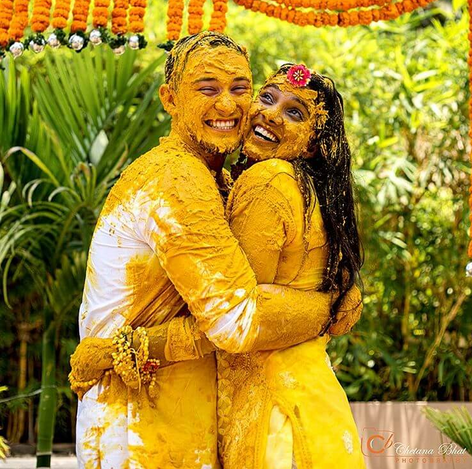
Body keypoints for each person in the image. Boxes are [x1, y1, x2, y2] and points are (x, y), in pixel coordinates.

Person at [72, 32, 362, 468]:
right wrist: (328, 307)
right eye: (207, 89)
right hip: (136, 426)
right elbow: (238, 321)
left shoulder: (228, 182)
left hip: (184, 422)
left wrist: (335, 301)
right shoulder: (177, 178)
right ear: (170, 99)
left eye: (240, 89)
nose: (228, 106)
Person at [217, 63, 366, 468]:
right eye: (266, 98)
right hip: (316, 402)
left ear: (311, 146)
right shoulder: (310, 191)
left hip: (276, 415)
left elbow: (237, 316)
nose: (270, 113)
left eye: (294, 112)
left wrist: (131, 349)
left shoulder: (268, 181)